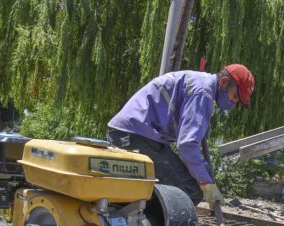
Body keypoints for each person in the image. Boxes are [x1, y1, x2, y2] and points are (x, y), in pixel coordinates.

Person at [107, 65, 255, 206]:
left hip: (129, 132)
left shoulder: (201, 84)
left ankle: (141, 220)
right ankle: (149, 225)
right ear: (223, 82)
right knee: (190, 190)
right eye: (234, 96)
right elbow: (187, 145)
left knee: (169, 187)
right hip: (137, 136)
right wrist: (206, 182)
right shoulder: (202, 93)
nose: (233, 103)